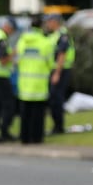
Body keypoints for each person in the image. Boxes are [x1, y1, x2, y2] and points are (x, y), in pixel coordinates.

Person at [16, 15, 54, 144]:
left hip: (25, 84)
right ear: (41, 26)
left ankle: (24, 138)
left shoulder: (22, 41)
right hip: (39, 85)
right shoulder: (46, 42)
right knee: (38, 115)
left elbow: (17, 60)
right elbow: (51, 63)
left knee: (25, 114)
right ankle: (36, 139)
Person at [44, 13, 75, 135]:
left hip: (61, 71)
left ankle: (59, 127)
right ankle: (56, 126)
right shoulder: (54, 35)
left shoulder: (62, 34)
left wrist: (57, 73)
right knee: (53, 99)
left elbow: (62, 54)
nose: (47, 24)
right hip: (56, 70)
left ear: (55, 21)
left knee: (56, 99)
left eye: (48, 21)